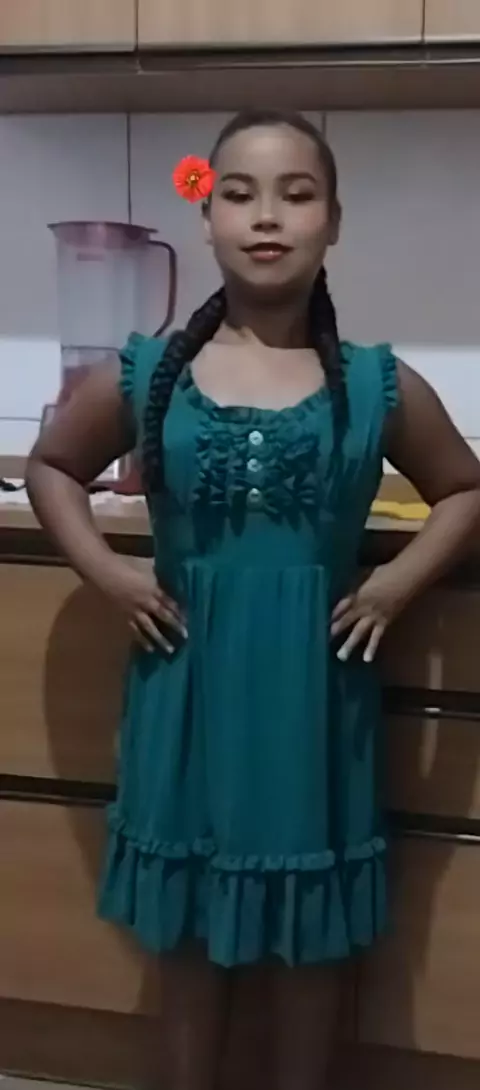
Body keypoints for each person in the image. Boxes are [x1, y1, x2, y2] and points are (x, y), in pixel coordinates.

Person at [26, 110, 480, 1090]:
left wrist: (397, 583)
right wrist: (109, 573)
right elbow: (52, 465)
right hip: (185, 686)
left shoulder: (377, 381)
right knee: (190, 932)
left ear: (334, 221)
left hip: (314, 698)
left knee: (310, 941)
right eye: (238, 193)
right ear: (208, 218)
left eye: (296, 194)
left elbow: (465, 489)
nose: (266, 215)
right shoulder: (152, 370)